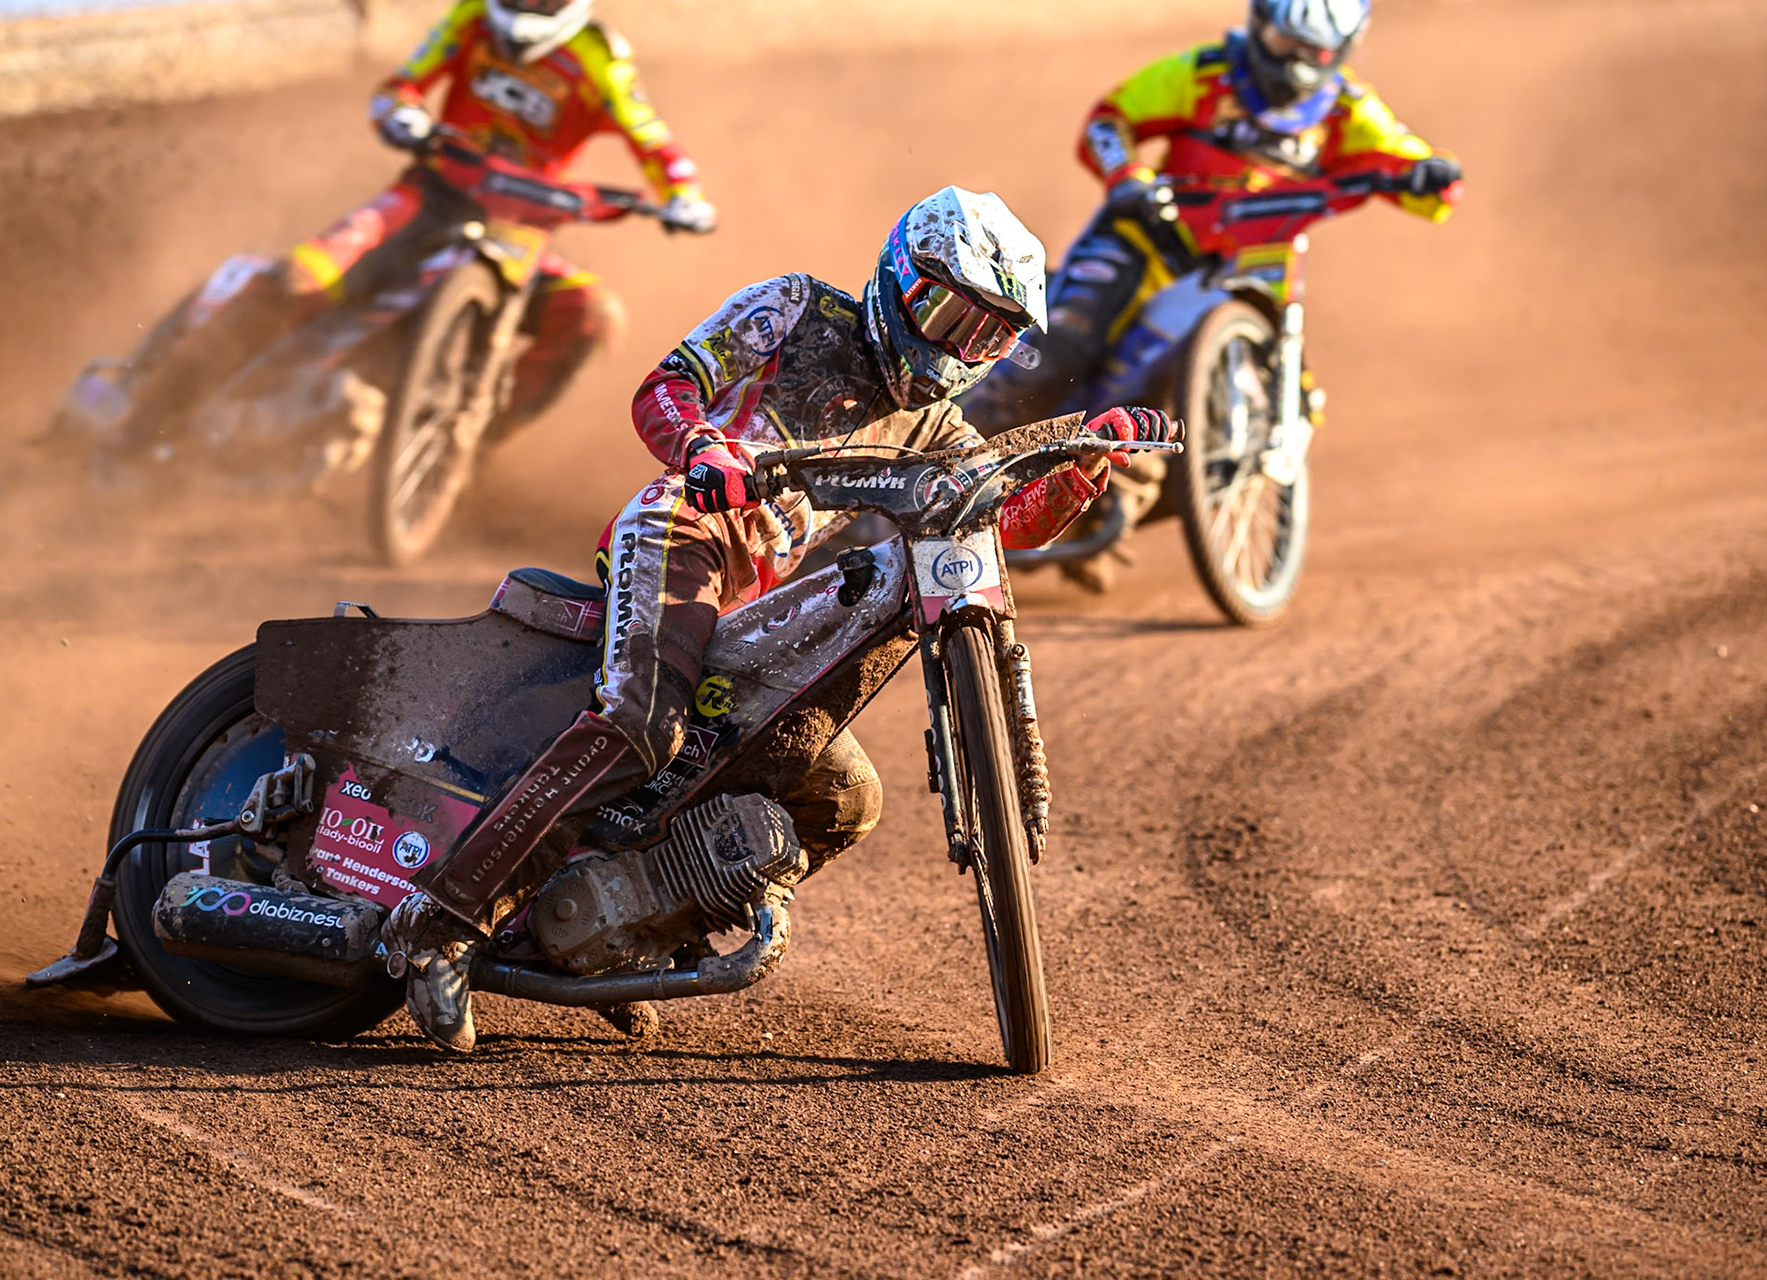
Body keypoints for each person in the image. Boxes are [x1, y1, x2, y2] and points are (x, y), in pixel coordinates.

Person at [381, 186, 1180, 1051]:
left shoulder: (940, 431)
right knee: (645, 720)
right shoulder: (796, 307)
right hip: (684, 528)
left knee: (843, 796)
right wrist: (704, 447)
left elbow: (998, 522)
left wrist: (1082, 467)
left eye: (986, 334)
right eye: (949, 313)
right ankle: (438, 925)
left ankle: (623, 932)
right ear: (901, 277)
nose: (958, 348)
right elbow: (667, 386)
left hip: (762, 596)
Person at [125, 0, 716, 437]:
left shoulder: (597, 57)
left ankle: (467, 451)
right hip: (430, 193)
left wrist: (683, 194)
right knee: (296, 280)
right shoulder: (471, 19)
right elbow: (402, 85)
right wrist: (399, 111)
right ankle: (147, 413)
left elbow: (653, 140)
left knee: (591, 316)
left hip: (521, 228)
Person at [964, 0, 1462, 435]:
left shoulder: (1350, 111)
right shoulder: (1203, 73)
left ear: (1346, 49)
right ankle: (948, 451)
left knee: (1254, 400)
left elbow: (1416, 170)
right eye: (1283, 40)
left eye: (1314, 52)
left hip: (1256, 267)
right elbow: (1110, 119)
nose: (1293, 63)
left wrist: (1430, 174)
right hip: (1149, 241)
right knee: (1059, 355)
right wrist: (1128, 177)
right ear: (1259, 21)